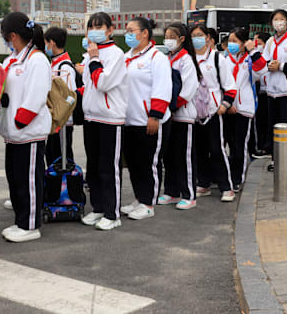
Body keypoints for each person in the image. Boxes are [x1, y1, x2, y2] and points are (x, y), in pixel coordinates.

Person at [0, 12, 52, 242]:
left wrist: (21, 120)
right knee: (16, 178)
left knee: (29, 180)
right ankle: (21, 220)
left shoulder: (37, 59)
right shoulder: (12, 59)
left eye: (4, 37)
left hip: (28, 132)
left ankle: (30, 225)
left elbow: (36, 96)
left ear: (12, 35)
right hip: (13, 133)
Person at [78, 12, 128, 230]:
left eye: (100, 27)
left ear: (110, 30)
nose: (95, 31)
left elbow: (103, 83)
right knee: (94, 167)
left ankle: (112, 212)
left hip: (110, 118)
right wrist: (91, 59)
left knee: (109, 167)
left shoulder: (116, 54)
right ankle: (98, 208)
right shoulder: (90, 54)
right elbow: (86, 83)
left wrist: (95, 59)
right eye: (92, 27)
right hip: (91, 116)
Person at [120, 17, 172, 220]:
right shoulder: (126, 57)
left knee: (149, 163)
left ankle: (148, 203)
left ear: (145, 33)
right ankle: (139, 198)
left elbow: (162, 87)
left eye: (132, 30)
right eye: (126, 30)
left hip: (149, 120)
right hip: (129, 120)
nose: (128, 34)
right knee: (134, 163)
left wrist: (155, 115)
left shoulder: (156, 58)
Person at [251, 9, 287, 170]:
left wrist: (281, 66)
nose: (279, 22)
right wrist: (258, 57)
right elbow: (263, 64)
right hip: (272, 91)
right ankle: (276, 158)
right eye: (275, 19)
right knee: (274, 128)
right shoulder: (270, 42)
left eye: (282, 19)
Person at [190, 24, 237, 203]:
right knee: (199, 151)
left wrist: (224, 106)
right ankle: (204, 183)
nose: (196, 39)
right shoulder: (189, 59)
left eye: (200, 35)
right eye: (193, 36)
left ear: (209, 38)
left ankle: (227, 187)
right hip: (194, 114)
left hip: (213, 113)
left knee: (217, 150)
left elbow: (230, 86)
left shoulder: (217, 59)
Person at [157, 23, 202, 210]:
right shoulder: (168, 58)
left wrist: (173, 105)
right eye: (165, 36)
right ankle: (172, 191)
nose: (167, 40)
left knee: (185, 157)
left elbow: (189, 89)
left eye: (171, 36)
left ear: (182, 39)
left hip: (183, 116)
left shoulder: (186, 60)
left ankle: (189, 194)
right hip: (169, 116)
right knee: (170, 156)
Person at [223, 28, 257, 191]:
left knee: (239, 145)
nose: (231, 44)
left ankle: (238, 178)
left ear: (244, 44)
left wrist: (253, 51)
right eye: (230, 40)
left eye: (235, 41)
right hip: (227, 107)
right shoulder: (224, 59)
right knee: (227, 143)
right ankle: (226, 175)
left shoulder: (250, 59)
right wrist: (227, 104)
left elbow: (261, 71)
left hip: (244, 108)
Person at [44, 27, 77, 170]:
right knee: (51, 155)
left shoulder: (65, 67)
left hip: (62, 123)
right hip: (55, 121)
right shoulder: (55, 64)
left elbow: (71, 96)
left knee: (62, 157)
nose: (45, 47)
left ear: (52, 43)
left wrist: (61, 116)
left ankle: (66, 187)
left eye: (46, 43)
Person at [249, 32, 272, 157]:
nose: (255, 44)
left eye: (258, 42)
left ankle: (265, 146)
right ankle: (261, 145)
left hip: (269, 91)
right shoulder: (255, 57)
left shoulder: (265, 57)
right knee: (260, 122)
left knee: (266, 121)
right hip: (260, 91)